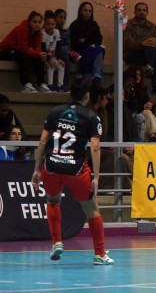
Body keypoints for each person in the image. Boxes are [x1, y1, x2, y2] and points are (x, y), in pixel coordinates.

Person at [31, 79, 114, 265]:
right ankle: (100, 254)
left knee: (52, 201)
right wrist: (97, 177)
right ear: (87, 96)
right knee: (92, 210)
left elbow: (42, 143)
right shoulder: (91, 117)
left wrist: (37, 169)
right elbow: (94, 147)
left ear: (70, 94)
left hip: (51, 166)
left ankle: (56, 242)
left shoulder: (54, 112)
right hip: (76, 169)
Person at [0, 11, 50, 92]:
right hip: (6, 50)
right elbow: (23, 49)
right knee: (22, 57)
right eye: (34, 22)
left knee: (38, 59)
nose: (37, 24)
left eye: (39, 22)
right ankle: (25, 84)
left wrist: (40, 54)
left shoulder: (38, 31)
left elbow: (37, 47)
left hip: (19, 50)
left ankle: (41, 84)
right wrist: (37, 53)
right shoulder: (22, 29)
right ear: (29, 22)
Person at [123, 2, 156, 95]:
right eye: (139, 10)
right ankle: (155, 85)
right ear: (134, 12)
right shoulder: (128, 24)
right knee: (153, 51)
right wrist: (143, 43)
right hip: (132, 54)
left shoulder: (152, 26)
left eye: (144, 10)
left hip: (148, 57)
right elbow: (127, 43)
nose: (141, 12)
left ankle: (150, 69)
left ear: (147, 12)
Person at [69, 2, 105, 84]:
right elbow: (75, 42)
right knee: (94, 50)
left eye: (90, 11)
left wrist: (86, 40)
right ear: (80, 11)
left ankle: (96, 73)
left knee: (99, 49)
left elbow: (99, 39)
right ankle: (86, 74)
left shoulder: (94, 24)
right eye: (85, 10)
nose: (88, 13)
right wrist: (90, 41)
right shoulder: (74, 25)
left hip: (93, 49)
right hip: (79, 51)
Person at [126, 65, 156, 142]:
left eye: (140, 75)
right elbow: (132, 107)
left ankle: (153, 136)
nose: (138, 77)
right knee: (146, 113)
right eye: (136, 75)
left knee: (148, 112)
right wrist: (143, 106)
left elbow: (150, 106)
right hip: (134, 114)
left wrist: (150, 105)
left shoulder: (142, 89)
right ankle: (154, 136)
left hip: (143, 114)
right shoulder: (129, 89)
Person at [54, 9, 82, 91]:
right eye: (60, 17)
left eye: (64, 18)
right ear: (55, 17)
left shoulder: (66, 31)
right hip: (53, 52)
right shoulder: (51, 28)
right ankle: (72, 53)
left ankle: (65, 85)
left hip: (63, 53)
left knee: (67, 58)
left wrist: (65, 50)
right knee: (64, 51)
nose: (62, 20)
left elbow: (68, 45)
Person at [41, 10, 66, 92]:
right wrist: (49, 59)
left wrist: (59, 58)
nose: (50, 26)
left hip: (54, 57)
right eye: (48, 24)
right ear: (44, 24)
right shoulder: (43, 33)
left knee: (61, 66)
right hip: (45, 56)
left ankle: (60, 85)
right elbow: (43, 48)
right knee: (51, 66)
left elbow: (58, 47)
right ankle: (50, 85)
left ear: (55, 25)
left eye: (52, 24)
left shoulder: (56, 32)